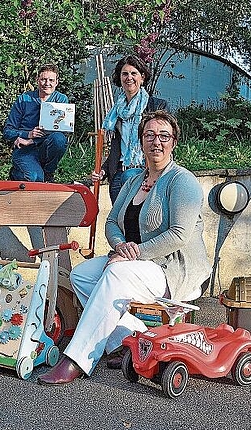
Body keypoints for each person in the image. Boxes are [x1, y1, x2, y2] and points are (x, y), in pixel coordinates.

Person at [38, 110, 211, 385]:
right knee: (81, 275)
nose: (157, 142)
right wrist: (121, 248)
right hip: (132, 262)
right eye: (150, 135)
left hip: (170, 269)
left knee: (115, 275)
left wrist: (134, 255)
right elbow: (111, 222)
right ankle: (129, 341)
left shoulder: (182, 181)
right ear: (141, 142)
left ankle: (77, 359)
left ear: (174, 142)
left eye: (164, 136)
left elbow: (179, 234)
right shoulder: (133, 180)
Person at [92, 55, 168, 203]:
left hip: (146, 168)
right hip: (119, 171)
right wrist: (103, 170)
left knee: (134, 216)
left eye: (134, 73)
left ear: (142, 77)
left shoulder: (157, 107)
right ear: (120, 78)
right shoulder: (117, 112)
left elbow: (165, 142)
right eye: (124, 74)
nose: (129, 78)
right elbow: (118, 147)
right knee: (118, 218)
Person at [3, 64, 69, 182]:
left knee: (59, 138)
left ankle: (49, 172)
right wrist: (27, 134)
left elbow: (62, 129)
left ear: (56, 82)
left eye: (51, 80)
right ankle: (17, 174)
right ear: (37, 80)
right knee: (35, 178)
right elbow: (8, 131)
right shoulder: (24, 99)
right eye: (43, 79)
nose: (47, 83)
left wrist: (32, 140)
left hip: (45, 147)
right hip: (25, 150)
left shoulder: (61, 99)